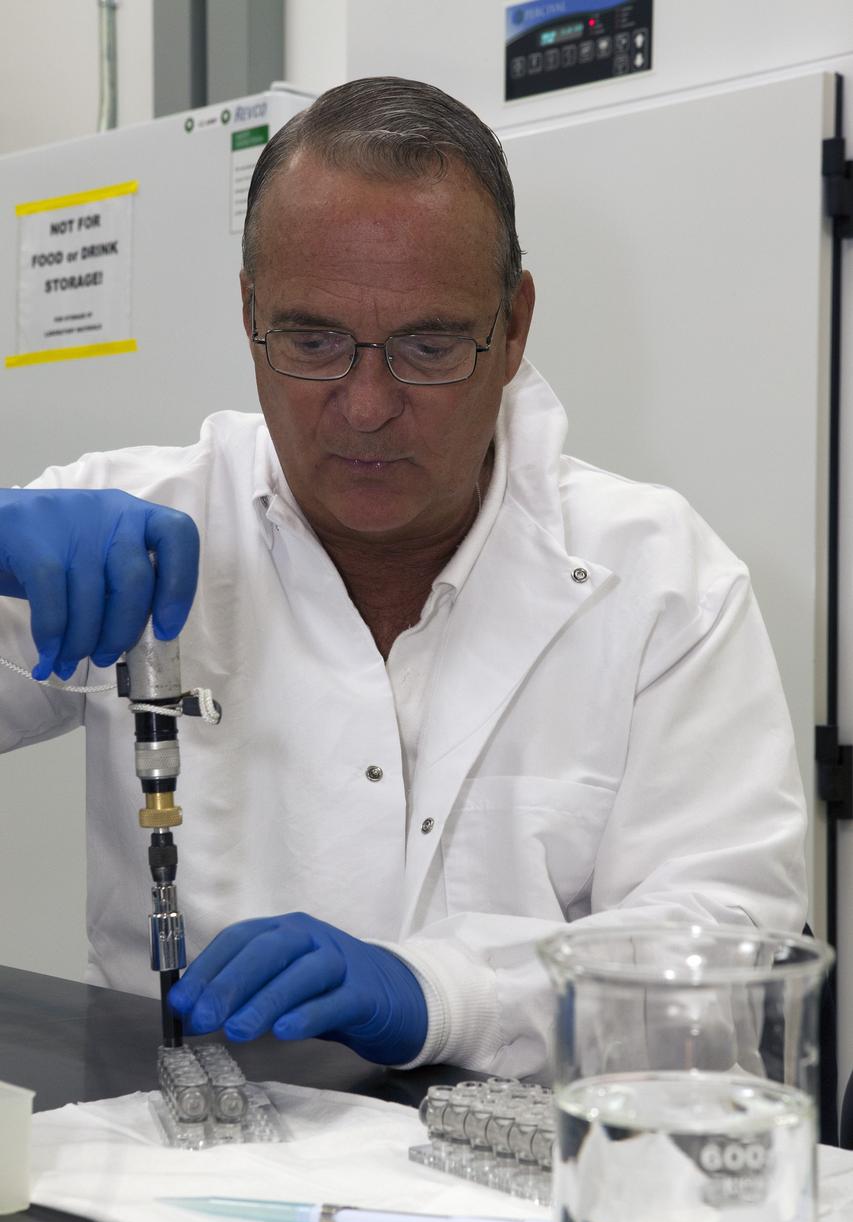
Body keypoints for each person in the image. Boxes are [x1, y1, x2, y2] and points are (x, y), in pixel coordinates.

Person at [0, 78, 806, 1076]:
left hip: (526, 1191)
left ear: (512, 326)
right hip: (178, 1171)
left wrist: (445, 992)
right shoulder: (139, 531)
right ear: (249, 311)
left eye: (428, 345)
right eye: (311, 340)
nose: (367, 405)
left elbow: (724, 959)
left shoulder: (657, 579)